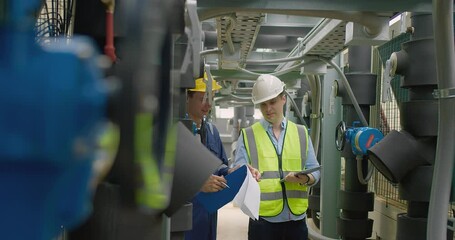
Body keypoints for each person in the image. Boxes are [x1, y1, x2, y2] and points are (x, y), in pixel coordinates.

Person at [233, 74, 321, 240]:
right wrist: (247, 173)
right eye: (263, 104)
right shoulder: (248, 135)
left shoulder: (301, 133)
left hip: (296, 219)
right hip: (263, 220)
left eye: (272, 102)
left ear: (283, 99)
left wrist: (305, 178)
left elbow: (316, 172)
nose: (268, 109)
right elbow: (237, 171)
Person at [184, 75, 230, 240]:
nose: (208, 104)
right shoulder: (175, 130)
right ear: (187, 98)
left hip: (209, 214)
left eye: (211, 99)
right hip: (186, 214)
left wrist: (231, 170)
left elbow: (220, 166)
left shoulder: (212, 131)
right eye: (202, 98)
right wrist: (198, 184)